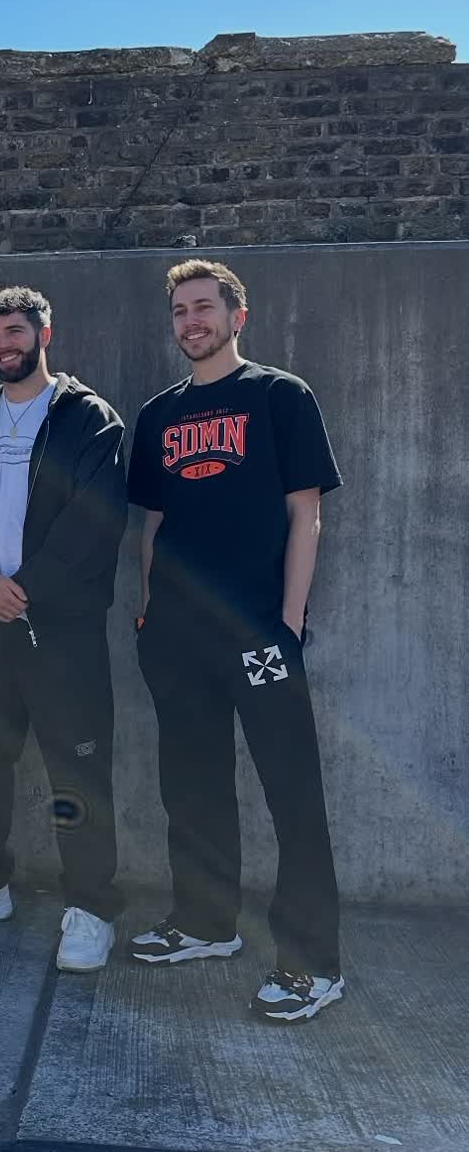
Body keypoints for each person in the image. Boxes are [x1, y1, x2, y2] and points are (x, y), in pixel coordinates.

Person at [129, 259, 345, 1023]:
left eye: (203, 307)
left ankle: (312, 964)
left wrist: (287, 621)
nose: (191, 320)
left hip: (258, 630)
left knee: (292, 793)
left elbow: (305, 513)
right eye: (180, 310)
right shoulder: (158, 414)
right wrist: (148, 612)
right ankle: (203, 922)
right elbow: (153, 522)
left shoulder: (280, 395)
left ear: (236, 315)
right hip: (175, 635)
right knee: (191, 785)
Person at [0, 286, 127, 972]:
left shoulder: (88, 419)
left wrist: (27, 590)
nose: (3, 345)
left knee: (77, 769)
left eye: (14, 331)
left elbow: (95, 518)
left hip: (61, 632)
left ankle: (91, 907)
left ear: (45, 333)